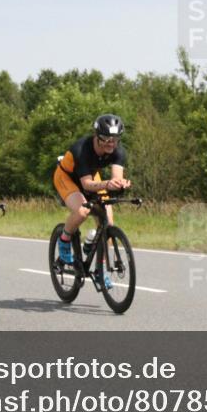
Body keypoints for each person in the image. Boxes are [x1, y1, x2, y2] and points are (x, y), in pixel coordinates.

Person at [52, 114, 131, 288]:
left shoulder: (118, 151)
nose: (111, 143)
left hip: (91, 176)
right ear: (97, 136)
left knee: (108, 223)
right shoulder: (82, 149)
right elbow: (87, 185)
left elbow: (116, 177)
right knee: (83, 210)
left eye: (115, 139)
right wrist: (108, 184)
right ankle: (64, 239)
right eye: (107, 139)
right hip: (67, 177)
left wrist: (120, 183)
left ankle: (100, 268)